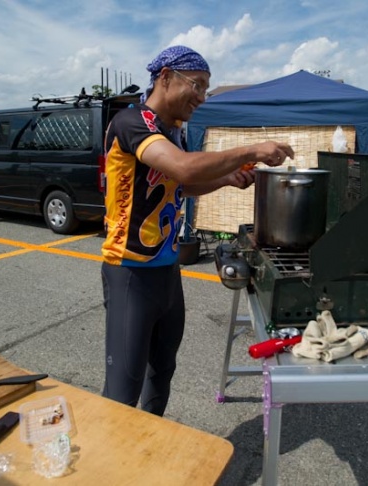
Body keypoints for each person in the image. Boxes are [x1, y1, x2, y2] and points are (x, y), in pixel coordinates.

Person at [100, 45, 294, 416]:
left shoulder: (173, 132)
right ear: (166, 77)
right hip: (130, 272)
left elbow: (180, 185)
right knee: (123, 389)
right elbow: (185, 169)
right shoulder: (132, 122)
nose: (202, 98)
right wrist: (252, 147)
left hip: (167, 272)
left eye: (207, 88)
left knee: (163, 372)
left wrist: (225, 180)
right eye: (198, 85)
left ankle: (150, 444)